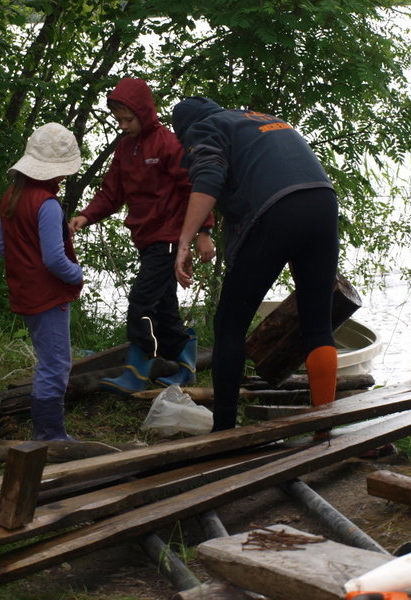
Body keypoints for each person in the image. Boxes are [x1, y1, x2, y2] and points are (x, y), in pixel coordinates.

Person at [171, 96, 339, 434]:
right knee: (318, 324)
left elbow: (209, 177)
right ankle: (326, 424)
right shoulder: (257, 118)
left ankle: (225, 431)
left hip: (277, 210)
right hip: (323, 201)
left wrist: (185, 240)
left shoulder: (204, 128)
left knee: (230, 323)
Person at [69, 78, 215, 395]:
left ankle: (138, 366)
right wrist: (86, 215)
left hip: (170, 238)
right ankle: (186, 361)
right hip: (146, 238)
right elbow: (111, 191)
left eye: (128, 119)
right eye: (119, 120)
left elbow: (196, 188)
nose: (124, 126)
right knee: (162, 306)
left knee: (141, 302)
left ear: (145, 113)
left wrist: (204, 232)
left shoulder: (168, 144)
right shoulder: (125, 148)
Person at [0, 123, 84, 441]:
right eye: (62, 172)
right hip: (48, 296)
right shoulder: (47, 204)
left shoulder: (11, 196)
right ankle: (49, 433)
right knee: (56, 363)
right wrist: (77, 274)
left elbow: (3, 248)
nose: (63, 177)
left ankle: (47, 429)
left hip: (24, 292)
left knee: (48, 359)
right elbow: (54, 260)